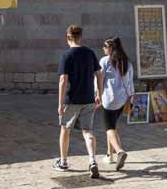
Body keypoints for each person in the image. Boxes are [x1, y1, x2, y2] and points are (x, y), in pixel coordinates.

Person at [54, 24, 103, 179]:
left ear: (68, 37)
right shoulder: (90, 53)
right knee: (87, 131)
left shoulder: (66, 55)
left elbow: (63, 79)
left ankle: (63, 162)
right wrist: (99, 93)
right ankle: (92, 160)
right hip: (89, 98)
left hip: (72, 99)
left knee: (65, 130)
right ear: (81, 37)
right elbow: (99, 73)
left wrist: (60, 103)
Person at [99, 37, 134, 171]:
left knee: (109, 128)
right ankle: (110, 155)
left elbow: (99, 80)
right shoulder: (127, 62)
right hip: (122, 99)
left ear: (111, 48)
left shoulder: (105, 61)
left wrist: (97, 95)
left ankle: (119, 151)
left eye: (105, 46)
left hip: (108, 100)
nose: (103, 48)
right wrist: (130, 99)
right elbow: (130, 83)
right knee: (112, 126)